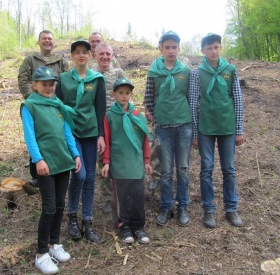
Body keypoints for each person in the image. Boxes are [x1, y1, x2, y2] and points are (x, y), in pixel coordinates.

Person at [20, 66, 81, 275]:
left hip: (63, 160)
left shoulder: (58, 105)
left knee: (60, 204)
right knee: (49, 206)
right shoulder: (29, 106)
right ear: (34, 85)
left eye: (50, 84)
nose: (48, 87)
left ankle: (55, 244)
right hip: (45, 163)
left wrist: (75, 154)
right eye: (43, 84)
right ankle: (41, 253)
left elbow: (67, 132)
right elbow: (29, 136)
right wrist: (38, 159)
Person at [188, 33, 244, 228]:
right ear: (203, 50)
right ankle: (208, 210)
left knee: (229, 169)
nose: (213, 51)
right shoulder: (197, 73)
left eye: (216, 47)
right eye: (209, 47)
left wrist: (239, 129)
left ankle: (231, 208)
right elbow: (193, 103)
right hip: (205, 127)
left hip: (227, 127)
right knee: (207, 168)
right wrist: (195, 134)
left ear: (220, 48)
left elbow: (237, 100)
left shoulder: (230, 70)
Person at [55, 39, 106, 243]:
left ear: (90, 55)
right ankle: (72, 217)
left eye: (85, 51)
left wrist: (101, 134)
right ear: (72, 56)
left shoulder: (97, 79)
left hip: (91, 133)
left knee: (91, 177)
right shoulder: (64, 79)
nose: (82, 55)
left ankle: (87, 221)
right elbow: (57, 106)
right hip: (72, 132)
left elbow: (100, 109)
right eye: (77, 52)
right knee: (80, 174)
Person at [144, 31, 192, 227]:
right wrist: (154, 116)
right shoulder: (154, 71)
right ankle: (165, 207)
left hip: (183, 126)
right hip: (163, 128)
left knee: (183, 168)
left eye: (174, 47)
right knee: (165, 171)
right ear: (161, 49)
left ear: (179, 49)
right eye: (167, 47)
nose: (171, 50)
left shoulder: (186, 71)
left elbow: (191, 96)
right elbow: (148, 97)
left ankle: (182, 207)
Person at [101, 78, 153, 244]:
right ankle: (124, 227)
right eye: (121, 93)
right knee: (121, 198)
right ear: (114, 94)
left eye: (127, 93)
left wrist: (146, 161)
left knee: (137, 197)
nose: (124, 96)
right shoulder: (109, 116)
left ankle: (138, 227)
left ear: (131, 94)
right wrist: (106, 162)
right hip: (119, 164)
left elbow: (145, 140)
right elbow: (107, 141)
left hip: (136, 164)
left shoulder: (138, 116)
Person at [18, 30, 69, 187]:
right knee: (35, 136)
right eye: (44, 39)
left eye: (50, 39)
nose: (47, 41)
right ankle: (37, 175)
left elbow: (67, 81)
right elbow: (23, 79)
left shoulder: (61, 61)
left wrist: (59, 101)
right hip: (36, 107)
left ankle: (60, 168)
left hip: (55, 105)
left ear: (54, 42)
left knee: (56, 136)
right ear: (39, 42)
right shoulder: (30, 60)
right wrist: (33, 99)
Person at [92, 42, 126, 214]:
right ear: (95, 55)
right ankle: (107, 199)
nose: (105, 57)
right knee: (102, 160)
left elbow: (127, 95)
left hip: (117, 122)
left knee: (119, 159)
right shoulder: (91, 75)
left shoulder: (118, 73)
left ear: (112, 56)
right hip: (98, 124)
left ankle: (121, 195)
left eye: (108, 54)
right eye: (101, 54)